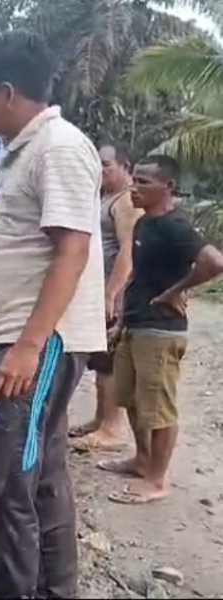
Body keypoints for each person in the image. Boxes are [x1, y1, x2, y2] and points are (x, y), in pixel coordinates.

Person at [0, 32, 106, 598]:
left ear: (7, 91)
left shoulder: (59, 148)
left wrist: (25, 346)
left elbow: (72, 250)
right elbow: (23, 255)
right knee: (38, 475)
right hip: (26, 338)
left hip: (40, 344)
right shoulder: (29, 150)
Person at [98, 155, 223, 504]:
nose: (134, 187)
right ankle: (141, 460)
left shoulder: (175, 226)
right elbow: (137, 272)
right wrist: (122, 316)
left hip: (161, 330)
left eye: (144, 183)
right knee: (133, 400)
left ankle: (156, 481)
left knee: (159, 407)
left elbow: (214, 262)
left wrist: (175, 291)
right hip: (135, 322)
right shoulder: (142, 224)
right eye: (134, 179)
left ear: (167, 187)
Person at [69, 142, 143, 451]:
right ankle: (100, 419)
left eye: (107, 165)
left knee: (110, 362)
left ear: (126, 167)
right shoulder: (107, 198)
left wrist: (111, 294)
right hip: (102, 291)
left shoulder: (126, 201)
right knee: (100, 361)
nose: (101, 170)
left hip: (116, 294)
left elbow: (128, 252)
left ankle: (112, 428)